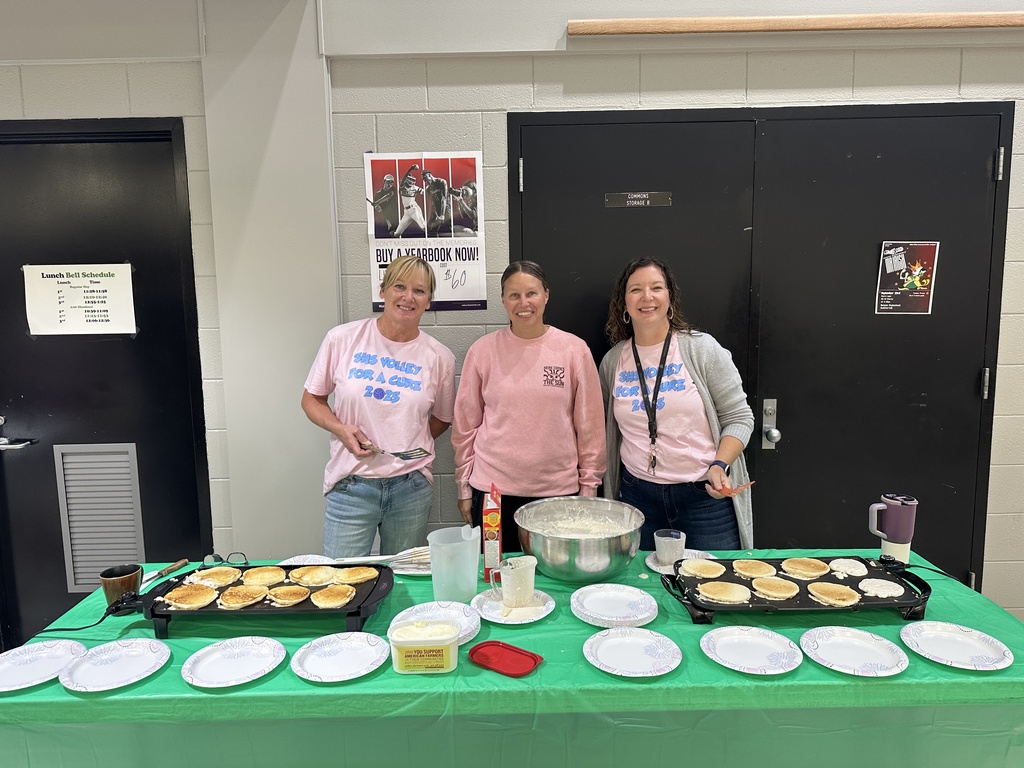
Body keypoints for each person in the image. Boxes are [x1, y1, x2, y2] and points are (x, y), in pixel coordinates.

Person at [302, 255, 456, 557]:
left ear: (428, 301)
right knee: (341, 581)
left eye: (419, 290)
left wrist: (407, 440)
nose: (408, 297)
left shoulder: (440, 357)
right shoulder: (342, 339)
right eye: (400, 286)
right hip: (351, 486)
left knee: (402, 582)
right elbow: (312, 399)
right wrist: (341, 429)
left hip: (410, 487)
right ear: (383, 290)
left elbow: (442, 418)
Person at [600, 257, 754, 551]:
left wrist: (720, 464)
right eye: (636, 290)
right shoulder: (612, 362)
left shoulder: (702, 349)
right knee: (643, 590)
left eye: (656, 287)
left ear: (670, 298)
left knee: (714, 588)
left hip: (704, 499)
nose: (647, 297)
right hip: (637, 499)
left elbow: (740, 417)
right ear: (624, 303)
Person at [452, 260, 606, 552]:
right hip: (493, 493)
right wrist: (463, 485)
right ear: (503, 300)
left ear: (546, 295)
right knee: (496, 581)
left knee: (555, 584)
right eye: (514, 295)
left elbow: (591, 429)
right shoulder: (482, 351)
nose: (523, 303)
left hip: (558, 495)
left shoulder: (574, 350)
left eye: (531, 293)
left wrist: (589, 489)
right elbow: (465, 426)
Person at [394, 164, 426, 237]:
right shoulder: (402, 187)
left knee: (423, 227)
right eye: (410, 179)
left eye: (413, 180)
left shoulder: (415, 187)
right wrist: (410, 169)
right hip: (406, 212)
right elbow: (404, 178)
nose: (412, 181)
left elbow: (425, 192)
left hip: (414, 209)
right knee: (397, 233)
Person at [420, 169, 451, 236]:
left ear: (430, 175)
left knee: (450, 228)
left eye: (425, 178)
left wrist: (442, 215)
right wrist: (436, 215)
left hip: (446, 207)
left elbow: (444, 198)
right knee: (433, 231)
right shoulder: (428, 188)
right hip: (437, 210)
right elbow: (433, 203)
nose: (425, 181)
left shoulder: (441, 182)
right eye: (423, 179)